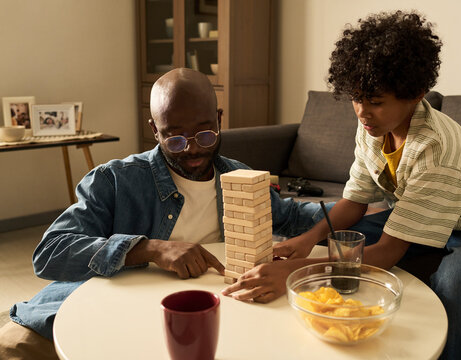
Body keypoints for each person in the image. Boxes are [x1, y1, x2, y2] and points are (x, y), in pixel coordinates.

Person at [222, 10, 461, 360]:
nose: (362, 112)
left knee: (458, 278)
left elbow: (389, 252)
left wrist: (294, 272)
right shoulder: (373, 127)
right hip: (438, 219)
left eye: (375, 102)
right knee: (343, 239)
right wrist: (306, 241)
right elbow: (355, 202)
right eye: (357, 98)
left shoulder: (435, 151)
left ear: (416, 93)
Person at [0, 68, 324, 359]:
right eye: (175, 137)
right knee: (10, 348)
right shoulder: (115, 180)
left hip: (214, 319)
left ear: (220, 119)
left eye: (205, 133)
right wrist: (148, 249)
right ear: (155, 130)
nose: (192, 149)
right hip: (110, 310)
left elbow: (297, 218)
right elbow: (50, 252)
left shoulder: (238, 177)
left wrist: (360, 207)